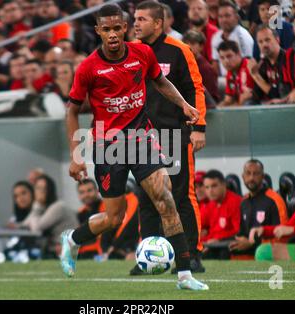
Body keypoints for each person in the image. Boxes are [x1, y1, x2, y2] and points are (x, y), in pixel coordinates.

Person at [62, 3, 208, 291]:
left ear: (125, 28)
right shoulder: (88, 68)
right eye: (107, 29)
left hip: (141, 139)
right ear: (98, 31)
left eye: (118, 28)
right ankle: (72, 240)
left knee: (165, 200)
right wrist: (75, 156)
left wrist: (185, 105)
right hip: (107, 147)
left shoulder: (142, 53)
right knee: (113, 217)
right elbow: (71, 111)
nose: (113, 34)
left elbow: (161, 81)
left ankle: (185, 275)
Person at [130, 0, 207, 276]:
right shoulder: (131, 52)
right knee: (146, 197)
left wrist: (199, 127)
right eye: (135, 18)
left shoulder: (179, 50)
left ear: (158, 23)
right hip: (142, 138)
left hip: (174, 133)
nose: (135, 23)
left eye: (141, 19)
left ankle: (193, 255)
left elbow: (195, 89)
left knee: (181, 195)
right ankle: (148, 256)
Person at [229, 159, 288, 258]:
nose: (251, 178)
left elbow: (282, 235)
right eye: (248, 173)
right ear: (243, 177)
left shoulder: (275, 200)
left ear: (263, 177)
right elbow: (241, 233)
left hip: (268, 254)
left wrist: (251, 243)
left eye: (256, 174)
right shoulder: (244, 202)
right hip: (246, 253)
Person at [18, 174, 78, 257]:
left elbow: (36, 229)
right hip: (55, 250)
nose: (40, 192)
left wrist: (37, 204)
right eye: (38, 188)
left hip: (66, 251)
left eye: (44, 189)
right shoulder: (44, 207)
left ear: (50, 190)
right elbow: (25, 224)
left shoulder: (58, 206)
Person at [201, 170, 242, 259]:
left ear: (224, 185)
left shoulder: (236, 202)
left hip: (227, 246)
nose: (210, 191)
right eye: (207, 187)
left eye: (214, 186)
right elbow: (199, 226)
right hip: (212, 245)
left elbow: (239, 232)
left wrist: (218, 241)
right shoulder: (209, 205)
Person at [248, 25, 291, 104]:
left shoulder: (288, 59)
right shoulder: (263, 63)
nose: (264, 45)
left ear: (277, 40)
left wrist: (256, 76)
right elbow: (257, 94)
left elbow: (280, 95)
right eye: (260, 42)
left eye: (267, 40)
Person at [211, 1, 254, 76]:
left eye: (227, 16)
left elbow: (248, 64)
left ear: (236, 17)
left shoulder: (243, 36)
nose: (224, 20)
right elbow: (215, 63)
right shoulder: (216, 37)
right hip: (223, 80)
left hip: (241, 78)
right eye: (220, 16)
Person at [182, 30, 220, 104]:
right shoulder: (182, 64)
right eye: (185, 43)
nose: (188, 46)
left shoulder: (206, 69)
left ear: (201, 47)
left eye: (192, 43)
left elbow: (211, 99)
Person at [217, 40, 254, 106]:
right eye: (222, 58)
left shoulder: (248, 67)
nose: (226, 61)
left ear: (239, 54)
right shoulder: (230, 72)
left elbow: (247, 98)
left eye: (229, 56)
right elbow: (228, 100)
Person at [76, 178, 105, 259]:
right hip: (83, 253)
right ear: (79, 195)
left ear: (97, 191)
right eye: (82, 192)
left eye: (89, 191)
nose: (86, 195)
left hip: (100, 252)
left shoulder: (106, 209)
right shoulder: (80, 213)